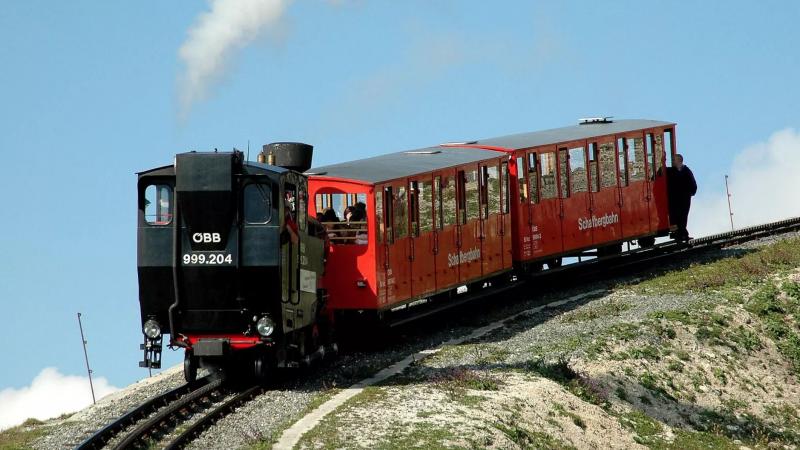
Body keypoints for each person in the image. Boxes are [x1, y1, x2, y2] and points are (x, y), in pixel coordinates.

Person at [666, 153, 697, 241]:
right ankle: (679, 234)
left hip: (684, 198)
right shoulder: (670, 171)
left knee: (683, 216)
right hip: (674, 199)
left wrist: (691, 193)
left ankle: (683, 234)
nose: (672, 162)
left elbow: (693, 183)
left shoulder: (686, 171)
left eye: (674, 160)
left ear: (679, 161)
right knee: (675, 216)